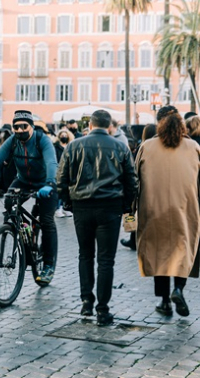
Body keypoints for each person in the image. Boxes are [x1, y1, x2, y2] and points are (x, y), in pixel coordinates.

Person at [57, 110, 137, 326]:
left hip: (82, 206)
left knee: (85, 255)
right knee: (106, 260)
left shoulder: (74, 146)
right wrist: (127, 205)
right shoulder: (120, 146)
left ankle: (86, 302)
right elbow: (131, 179)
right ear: (108, 126)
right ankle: (102, 309)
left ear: (90, 125)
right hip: (110, 207)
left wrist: (67, 201)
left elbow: (61, 178)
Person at [136, 106, 200, 317]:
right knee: (182, 250)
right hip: (185, 208)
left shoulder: (147, 146)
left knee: (159, 253)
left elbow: (136, 177)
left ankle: (164, 301)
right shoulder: (193, 147)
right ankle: (178, 289)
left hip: (154, 209)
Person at [0, 110, 59, 284]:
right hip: (22, 181)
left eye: (24, 126)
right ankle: (20, 228)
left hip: (45, 183)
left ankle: (48, 265)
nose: (19, 130)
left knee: (47, 220)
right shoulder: (12, 141)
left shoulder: (42, 140)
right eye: (16, 127)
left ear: (32, 127)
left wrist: (50, 183)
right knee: (8, 203)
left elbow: (51, 162)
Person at [120, 123, 157, 251]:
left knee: (137, 214)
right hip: (155, 188)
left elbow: (134, 169)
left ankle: (134, 240)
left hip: (143, 188)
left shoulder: (143, 148)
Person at [54, 129, 75, 218]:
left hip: (69, 169)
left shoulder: (71, 145)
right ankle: (58, 208)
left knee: (67, 189)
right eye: (62, 135)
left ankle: (64, 208)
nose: (64, 136)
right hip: (59, 169)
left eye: (65, 135)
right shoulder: (55, 146)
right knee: (59, 189)